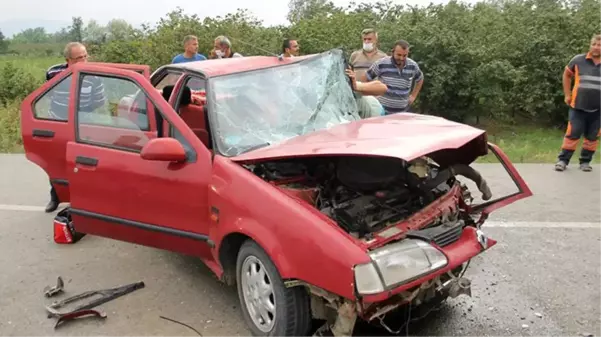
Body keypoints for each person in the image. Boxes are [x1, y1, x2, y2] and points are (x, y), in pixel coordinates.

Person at [44, 42, 106, 212]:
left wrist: (82, 114)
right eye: (79, 57)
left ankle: (81, 202)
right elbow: (48, 94)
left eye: (85, 56)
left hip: (82, 125)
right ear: (68, 60)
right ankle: (55, 197)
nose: (84, 60)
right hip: (57, 122)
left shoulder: (95, 75)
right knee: (56, 162)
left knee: (81, 164)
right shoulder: (53, 73)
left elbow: (99, 101)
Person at [555, 34, 601, 172]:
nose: (596, 47)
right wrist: (567, 94)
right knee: (573, 133)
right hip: (578, 106)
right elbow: (567, 75)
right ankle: (563, 160)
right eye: (594, 44)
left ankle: (585, 162)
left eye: (599, 45)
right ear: (590, 45)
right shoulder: (578, 60)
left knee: (592, 137)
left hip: (599, 110)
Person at [361, 40, 424, 115]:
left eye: (404, 55)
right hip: (382, 111)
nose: (401, 58)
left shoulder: (412, 66)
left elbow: (420, 79)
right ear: (393, 52)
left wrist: (413, 96)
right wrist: (370, 98)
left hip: (402, 112)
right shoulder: (381, 63)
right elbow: (365, 78)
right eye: (399, 55)